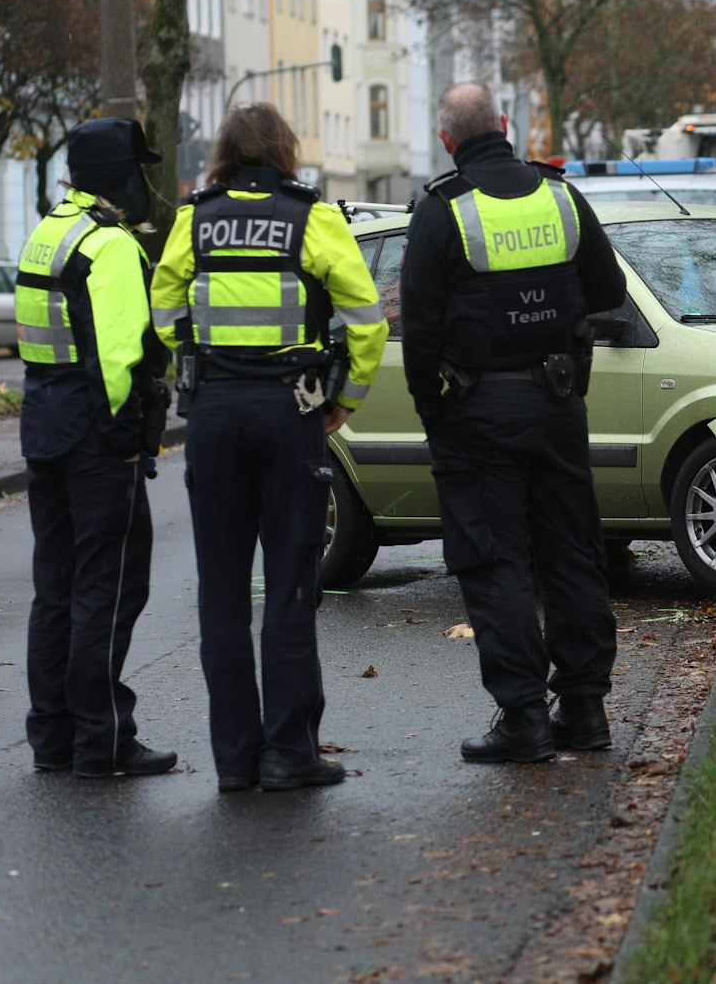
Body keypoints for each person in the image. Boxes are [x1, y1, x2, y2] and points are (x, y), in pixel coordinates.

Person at [152, 104, 389, 791]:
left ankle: (234, 761)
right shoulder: (311, 217)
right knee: (288, 584)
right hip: (292, 409)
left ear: (225, 152)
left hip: (216, 411)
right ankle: (290, 752)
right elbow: (367, 320)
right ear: (284, 149)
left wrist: (196, 357)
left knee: (221, 591)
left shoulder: (194, 218)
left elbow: (163, 311)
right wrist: (347, 398)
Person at [400, 81, 627, 763]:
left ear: (448, 140)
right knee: (571, 549)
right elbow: (609, 293)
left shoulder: (442, 211)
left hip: (476, 414)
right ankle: (584, 710)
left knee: (494, 559)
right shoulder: (560, 196)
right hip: (558, 404)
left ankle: (524, 716)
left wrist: (436, 413)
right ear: (505, 123)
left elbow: (419, 333)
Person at [15, 117, 175, 779]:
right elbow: (118, 357)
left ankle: (51, 736)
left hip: (44, 429)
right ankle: (102, 737)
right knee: (105, 590)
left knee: (54, 587)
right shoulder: (108, 246)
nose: (144, 183)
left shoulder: (48, 233)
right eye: (138, 170)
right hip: (93, 438)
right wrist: (126, 443)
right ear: (118, 175)